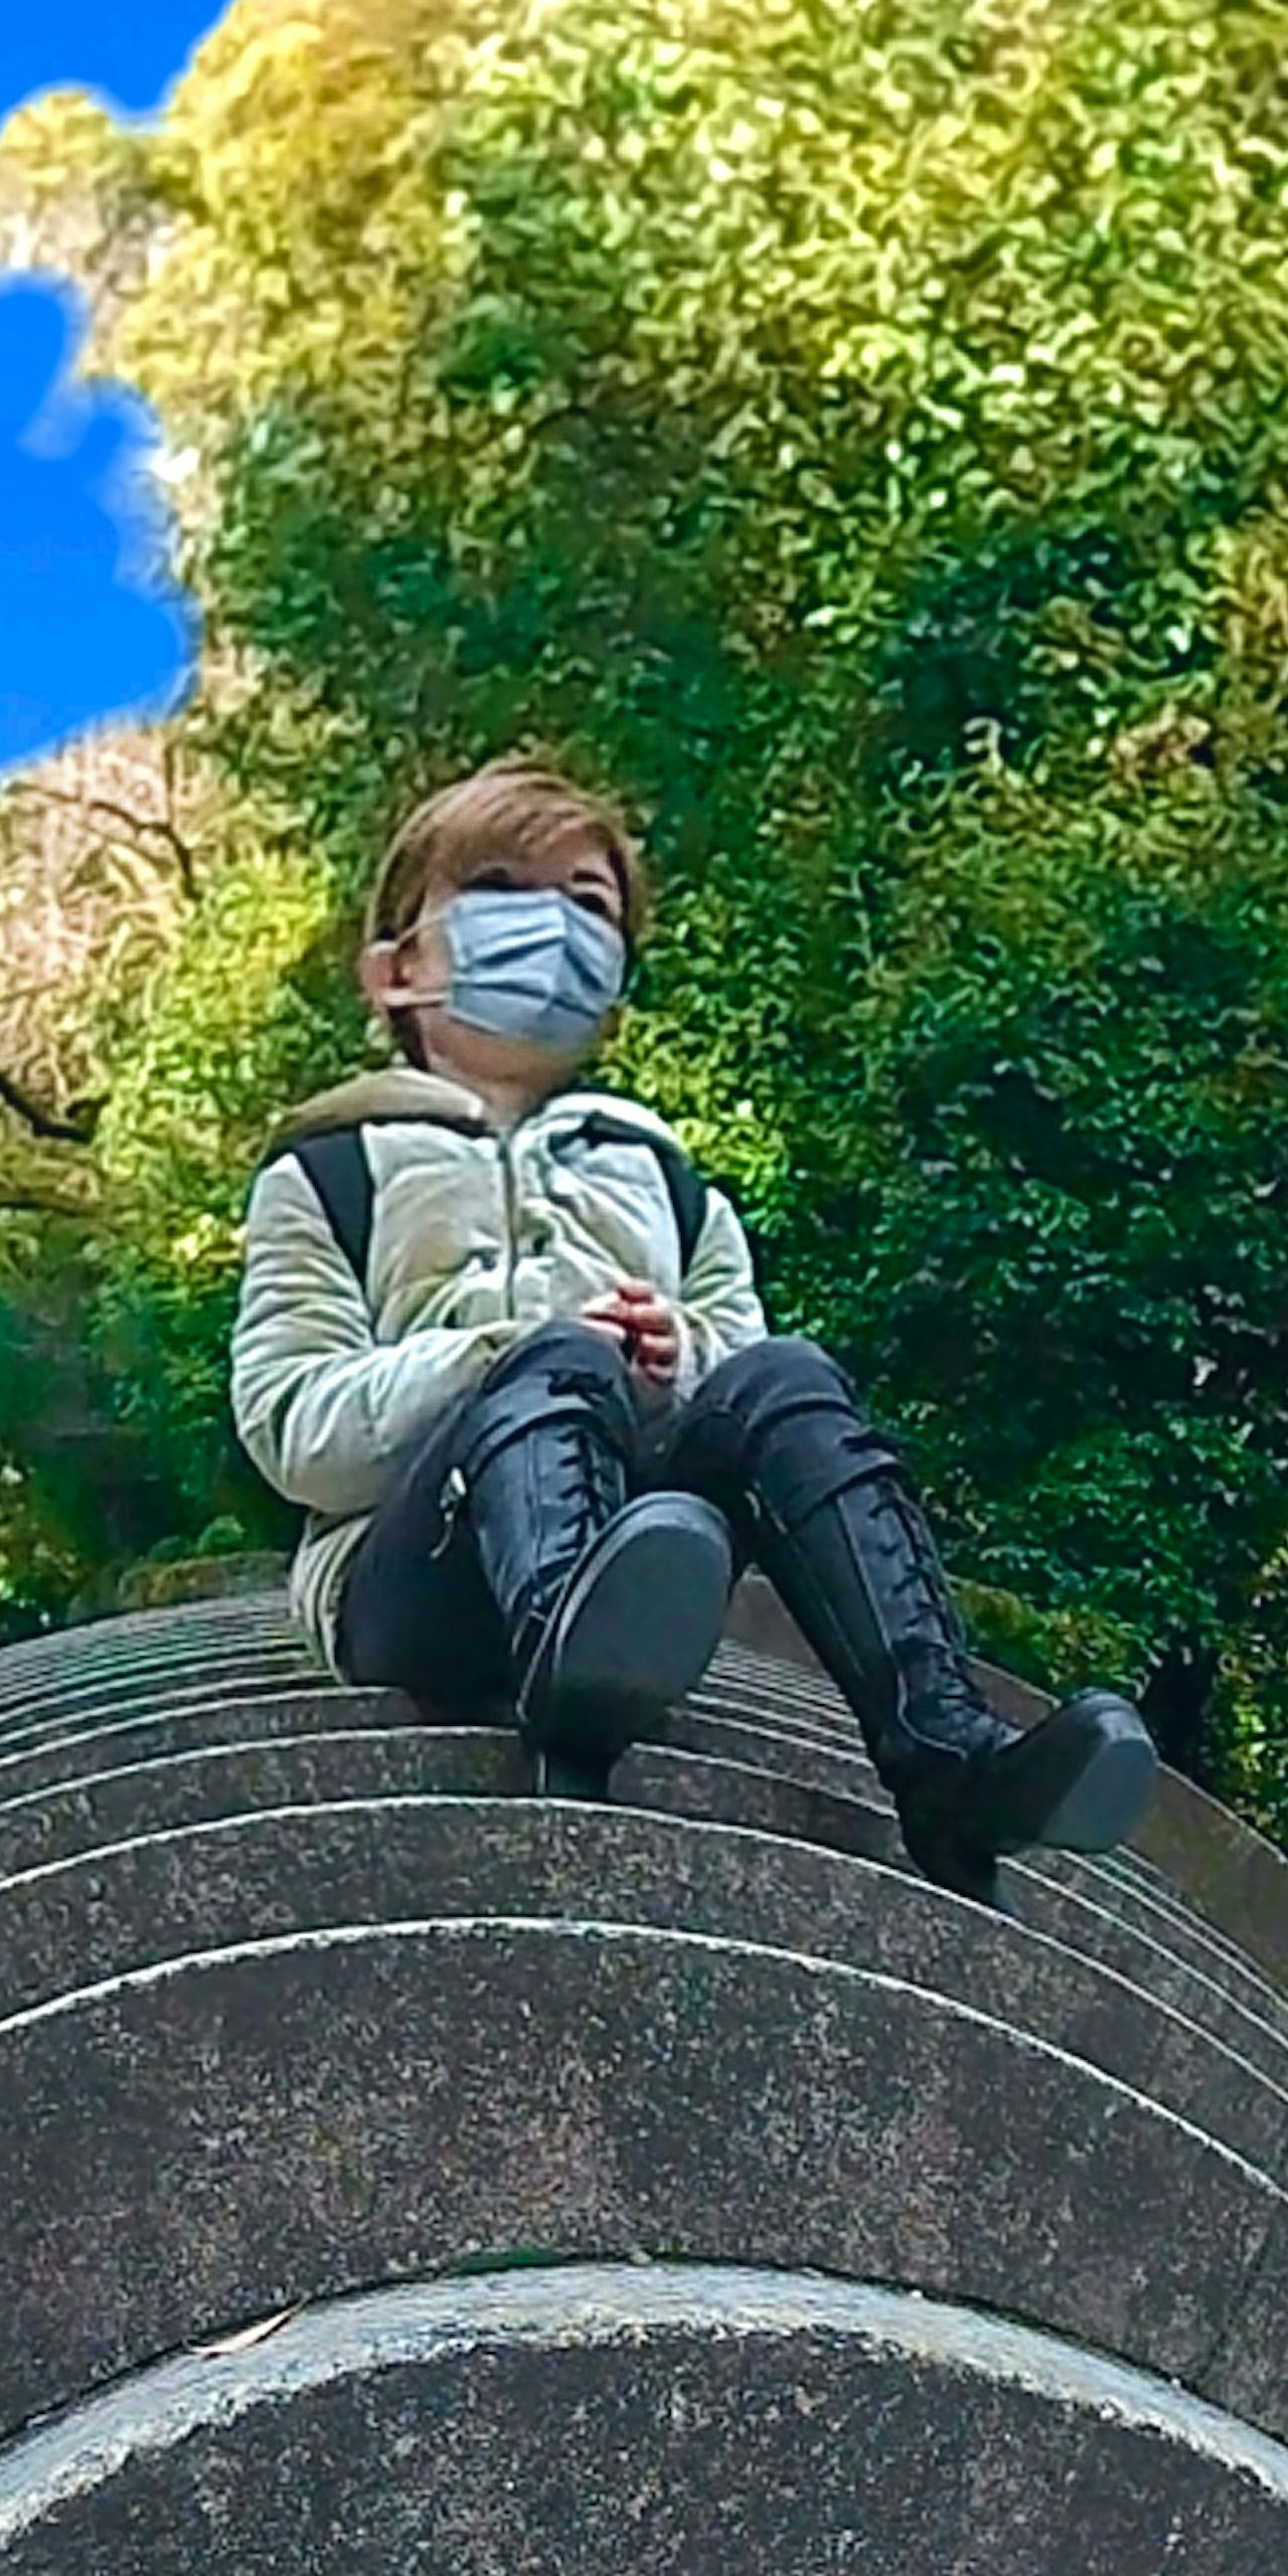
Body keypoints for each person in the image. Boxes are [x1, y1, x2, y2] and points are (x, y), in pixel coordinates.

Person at [227, 755, 1159, 1899]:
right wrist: (504, 1349)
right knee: (557, 1355)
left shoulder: (671, 1188)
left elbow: (738, 1386)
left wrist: (677, 1358)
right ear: (399, 968)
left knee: (784, 1376)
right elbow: (292, 1431)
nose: (555, 930)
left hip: (637, 1543)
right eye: (506, 890)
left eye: (589, 906)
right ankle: (563, 1663)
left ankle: (951, 1754)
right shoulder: (328, 1173)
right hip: (420, 1575)